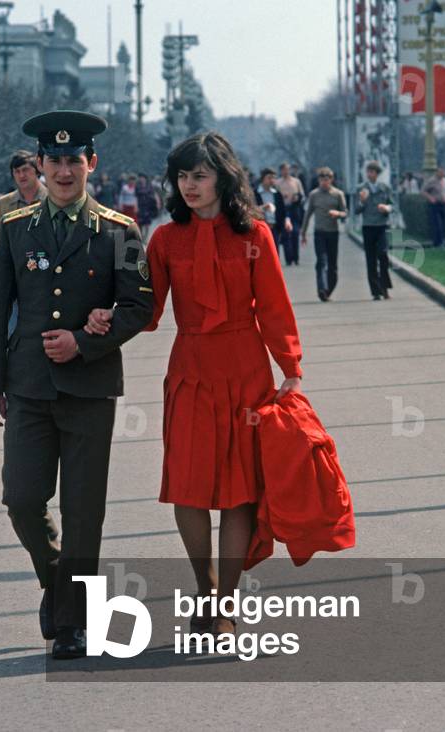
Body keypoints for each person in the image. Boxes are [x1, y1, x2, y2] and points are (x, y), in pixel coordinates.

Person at [86, 131, 303, 637]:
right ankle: (204, 589)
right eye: (182, 176)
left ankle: (224, 604)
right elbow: (148, 309)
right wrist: (104, 318)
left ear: (223, 178)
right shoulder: (165, 239)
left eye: (199, 175)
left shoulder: (256, 237)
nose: (189, 185)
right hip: (189, 370)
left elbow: (273, 307)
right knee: (188, 488)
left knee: (238, 493)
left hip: (246, 370)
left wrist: (290, 367)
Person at [0, 110, 153, 659]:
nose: (65, 170)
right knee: (22, 500)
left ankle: (74, 625)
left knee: (83, 511)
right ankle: (59, 585)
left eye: (75, 160)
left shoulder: (120, 231)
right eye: (55, 161)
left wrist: (86, 341)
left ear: (91, 163)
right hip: (27, 385)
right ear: (40, 166)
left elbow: (141, 305)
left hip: (89, 389)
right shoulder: (15, 226)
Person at [301, 167, 347, 301]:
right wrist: (303, 233)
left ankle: (328, 290)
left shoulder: (338, 194)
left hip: (333, 233)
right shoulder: (314, 195)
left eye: (326, 180)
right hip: (319, 233)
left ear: (331, 180)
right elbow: (307, 214)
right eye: (321, 180)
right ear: (319, 180)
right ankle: (321, 289)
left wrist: (338, 214)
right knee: (321, 261)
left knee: (333, 265)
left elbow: (345, 212)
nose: (324, 182)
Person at [355, 160, 394, 300]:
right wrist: (362, 201)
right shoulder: (361, 188)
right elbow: (356, 210)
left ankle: (384, 287)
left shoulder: (385, 187)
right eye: (368, 171)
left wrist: (387, 208)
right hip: (368, 226)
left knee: (383, 255)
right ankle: (375, 291)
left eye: (372, 172)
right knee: (370, 259)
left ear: (377, 174)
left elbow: (392, 205)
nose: (369, 174)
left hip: (381, 226)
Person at [254, 168, 288, 261]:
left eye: (274, 178)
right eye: (269, 178)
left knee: (274, 255)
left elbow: (283, 211)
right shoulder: (255, 193)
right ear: (263, 179)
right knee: (260, 256)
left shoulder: (277, 194)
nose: (272, 180)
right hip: (260, 229)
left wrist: (284, 223)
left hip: (274, 228)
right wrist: (262, 208)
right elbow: (250, 209)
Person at [276, 162, 304, 265]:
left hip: (294, 209)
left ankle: (296, 258)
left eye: (287, 169)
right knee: (286, 235)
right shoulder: (277, 183)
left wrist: (297, 198)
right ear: (281, 171)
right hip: (283, 210)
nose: (286, 171)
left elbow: (302, 196)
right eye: (284, 169)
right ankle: (288, 259)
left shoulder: (296, 181)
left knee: (295, 233)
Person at [422, 167, 445, 248]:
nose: (443, 174)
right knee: (437, 224)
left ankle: (439, 241)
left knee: (443, 224)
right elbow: (423, 191)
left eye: (444, 172)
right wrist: (431, 198)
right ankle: (438, 242)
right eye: (441, 172)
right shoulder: (432, 181)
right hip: (435, 204)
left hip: (443, 204)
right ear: (437, 172)